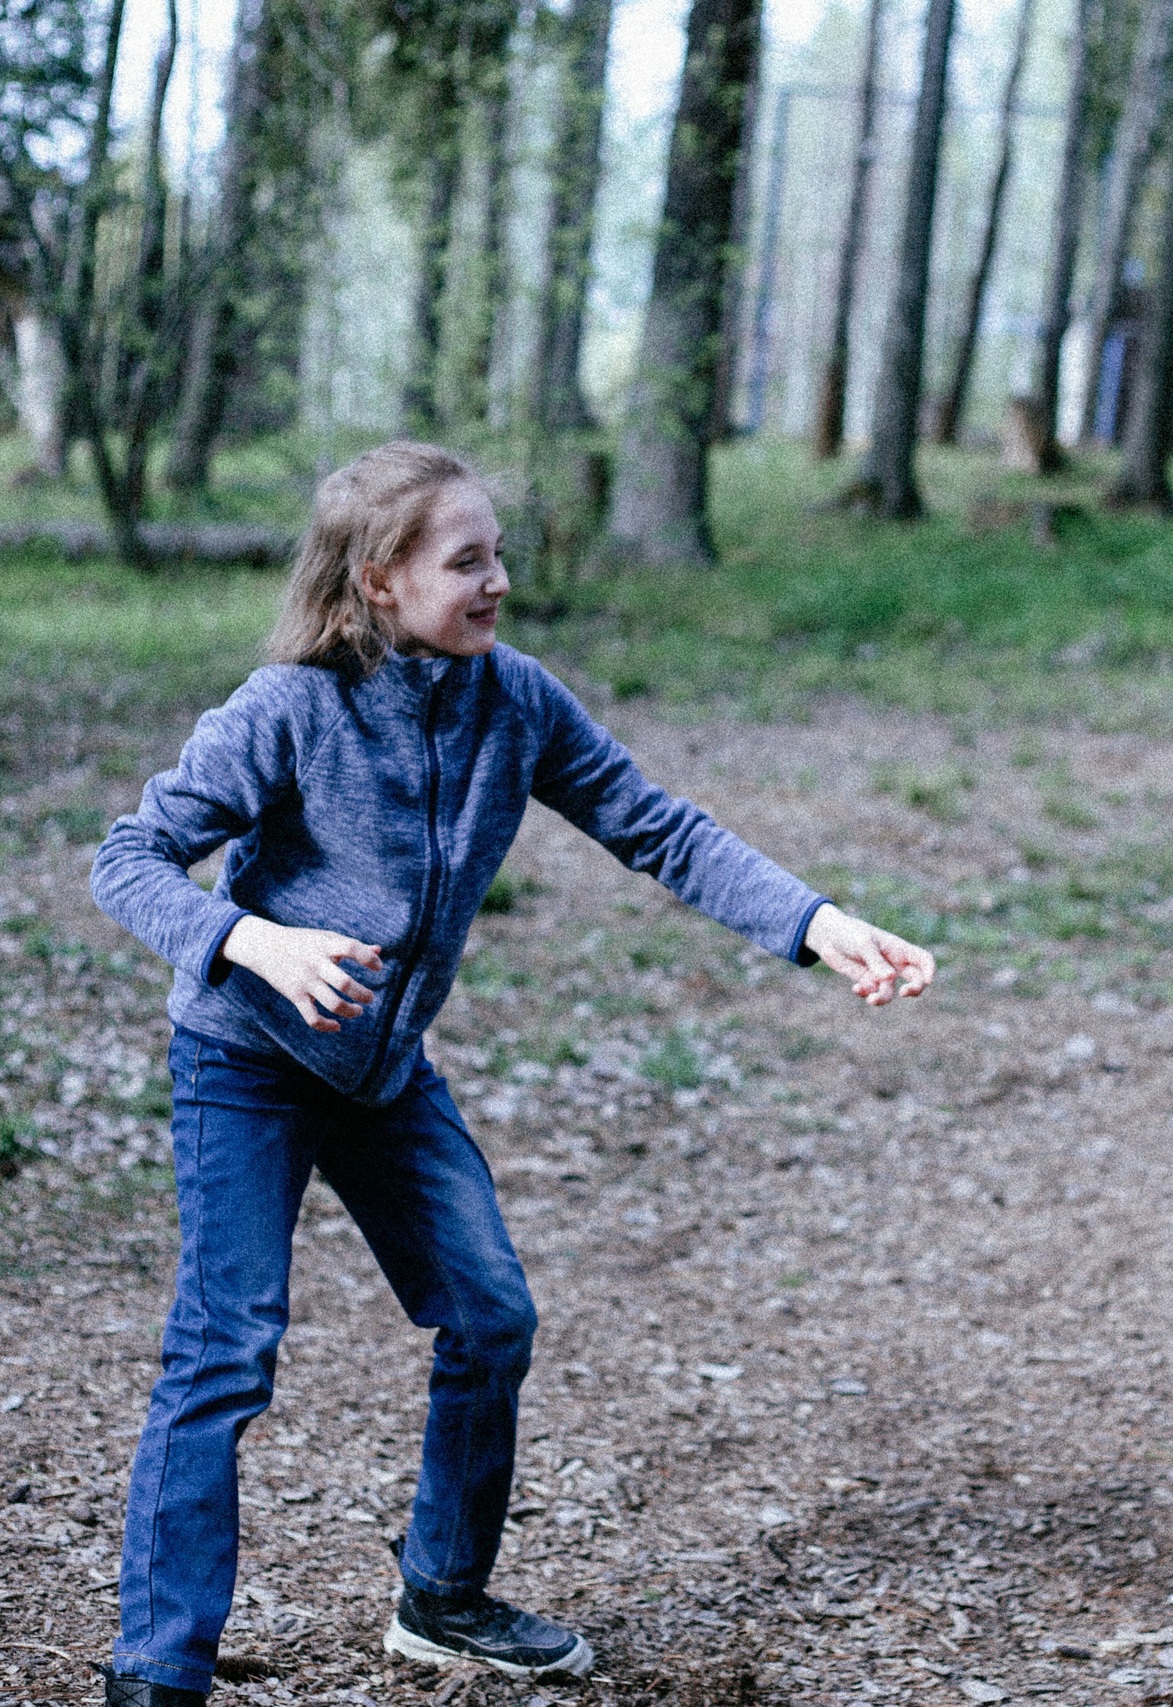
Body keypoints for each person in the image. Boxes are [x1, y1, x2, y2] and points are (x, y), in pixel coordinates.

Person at [87, 442, 935, 1707]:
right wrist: (250, 939)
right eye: (466, 560)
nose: (498, 582)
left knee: (489, 1318)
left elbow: (659, 827)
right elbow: (128, 857)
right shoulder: (288, 707)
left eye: (499, 555)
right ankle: (159, 1672)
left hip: (382, 1077)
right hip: (247, 1064)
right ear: (379, 581)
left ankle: (442, 1596)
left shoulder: (514, 701)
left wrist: (817, 926)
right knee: (226, 1353)